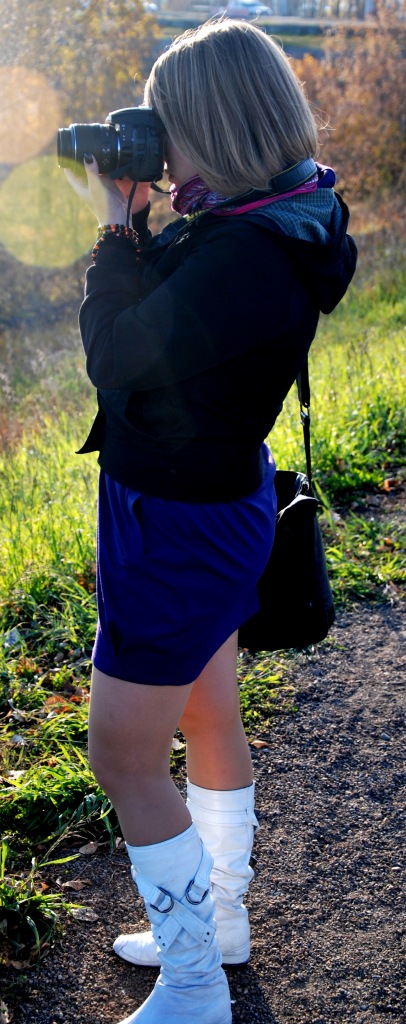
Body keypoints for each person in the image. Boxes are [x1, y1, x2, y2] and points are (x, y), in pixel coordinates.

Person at [64, 18, 357, 1024]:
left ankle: (193, 985)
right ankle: (217, 922)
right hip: (209, 502)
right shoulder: (274, 218)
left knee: (121, 754)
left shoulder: (246, 254)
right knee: (205, 715)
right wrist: (147, 220)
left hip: (178, 523)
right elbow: (177, 331)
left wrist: (113, 229)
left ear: (213, 127)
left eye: (169, 125)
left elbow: (119, 355)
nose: (158, 145)